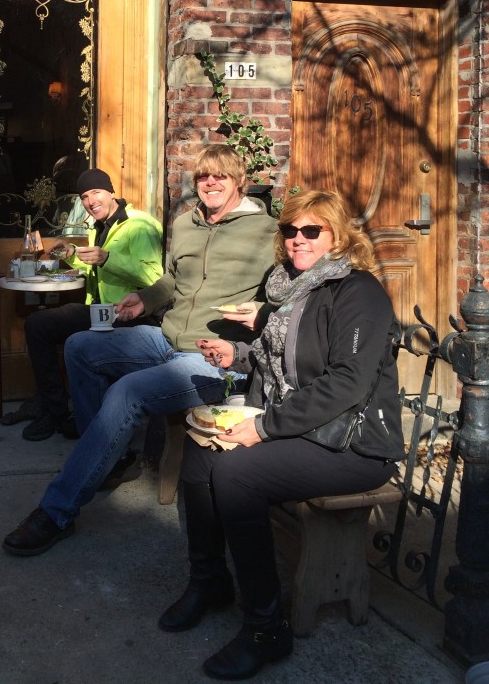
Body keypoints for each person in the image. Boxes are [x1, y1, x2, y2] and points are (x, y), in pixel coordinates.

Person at [160, 189, 404, 681]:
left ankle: (265, 627)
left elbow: (346, 383)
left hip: (353, 443)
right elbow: (286, 357)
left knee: (237, 474)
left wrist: (265, 427)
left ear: (338, 236)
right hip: (306, 427)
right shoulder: (288, 288)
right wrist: (239, 355)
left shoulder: (358, 293)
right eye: (290, 230)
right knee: (200, 449)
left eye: (312, 230)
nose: (298, 240)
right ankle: (209, 580)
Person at [2, 143, 276, 556]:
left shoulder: (269, 232)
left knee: (126, 392)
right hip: (164, 339)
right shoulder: (187, 224)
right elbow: (171, 281)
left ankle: (57, 511)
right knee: (79, 345)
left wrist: (261, 313)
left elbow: (288, 298)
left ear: (239, 180)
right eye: (203, 177)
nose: (210, 183)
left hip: (214, 359)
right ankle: (108, 458)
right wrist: (145, 301)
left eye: (220, 175)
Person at [9, 168, 164, 442]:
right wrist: (72, 255)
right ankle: (53, 409)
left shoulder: (140, 225)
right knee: (38, 324)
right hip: (100, 311)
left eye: (96, 193)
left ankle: (81, 416)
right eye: (84, 197)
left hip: (130, 314)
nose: (91, 202)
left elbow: (155, 278)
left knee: (66, 336)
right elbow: (99, 266)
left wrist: (107, 258)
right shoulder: (100, 226)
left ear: (110, 192)